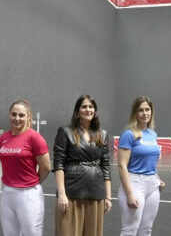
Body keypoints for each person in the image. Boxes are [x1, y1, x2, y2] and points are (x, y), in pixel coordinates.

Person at [54, 95, 112, 236]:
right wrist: (62, 194)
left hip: (96, 192)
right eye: (84, 106)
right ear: (77, 111)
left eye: (91, 107)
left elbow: (105, 165)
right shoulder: (65, 131)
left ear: (95, 110)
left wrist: (108, 196)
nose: (88, 110)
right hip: (72, 192)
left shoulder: (102, 134)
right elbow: (59, 163)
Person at [0, 99, 51, 236]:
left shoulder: (35, 138)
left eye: (21, 115)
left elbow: (46, 166)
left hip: (28, 194)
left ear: (28, 116)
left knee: (32, 233)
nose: (17, 118)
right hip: (7, 193)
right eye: (13, 114)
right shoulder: (3, 138)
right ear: (9, 115)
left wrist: (34, 182)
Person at [117, 96, 165, 236]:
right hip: (134, 184)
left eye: (148, 109)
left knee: (146, 230)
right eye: (141, 110)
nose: (145, 113)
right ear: (135, 113)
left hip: (152, 186)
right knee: (130, 230)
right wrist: (130, 193)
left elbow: (150, 161)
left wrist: (157, 178)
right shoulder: (128, 134)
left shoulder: (152, 134)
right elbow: (121, 165)